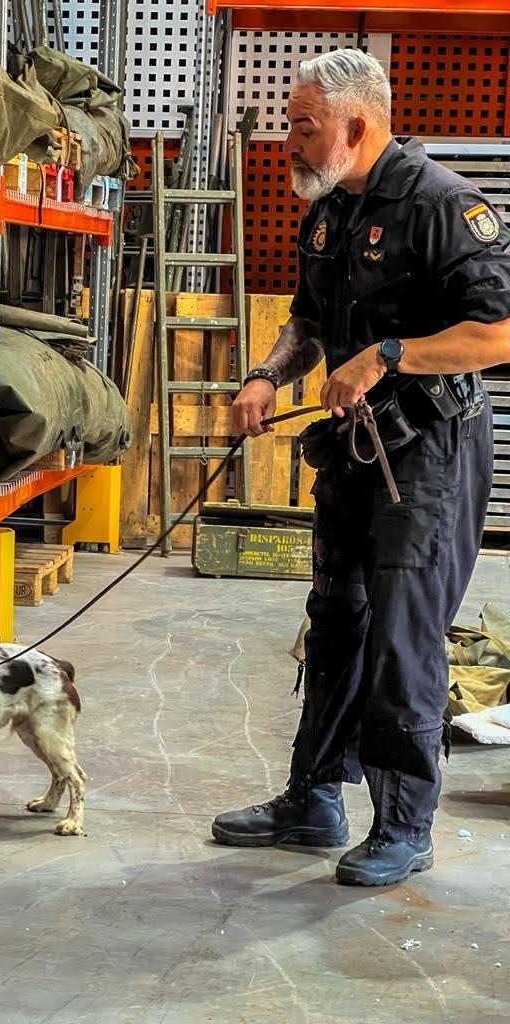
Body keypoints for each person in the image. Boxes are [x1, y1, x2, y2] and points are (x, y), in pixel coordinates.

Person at [212, 48, 510, 886]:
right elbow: (307, 319)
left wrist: (387, 354)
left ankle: (405, 825)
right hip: (353, 450)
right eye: (289, 126)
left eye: (303, 127)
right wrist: (268, 373)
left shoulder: (444, 205)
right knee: (335, 619)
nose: (290, 143)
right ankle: (314, 798)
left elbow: (498, 335)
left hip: (428, 456)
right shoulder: (327, 210)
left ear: (356, 123)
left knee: (402, 638)